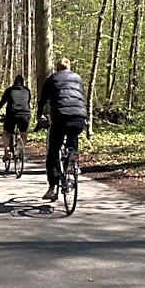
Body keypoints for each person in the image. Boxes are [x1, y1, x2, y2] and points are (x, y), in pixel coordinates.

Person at [36, 58, 86, 201]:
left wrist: (39, 116)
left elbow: (42, 100)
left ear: (57, 68)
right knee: (72, 137)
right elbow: (80, 98)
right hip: (79, 117)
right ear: (69, 68)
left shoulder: (52, 78)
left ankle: (52, 187)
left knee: (52, 152)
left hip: (60, 117)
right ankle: (74, 162)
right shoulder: (78, 78)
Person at [0, 75, 32, 162]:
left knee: (6, 132)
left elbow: (2, 103)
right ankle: (21, 151)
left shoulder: (9, 90)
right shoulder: (27, 90)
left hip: (12, 114)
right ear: (23, 83)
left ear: (14, 82)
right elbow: (28, 102)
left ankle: (6, 153)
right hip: (25, 114)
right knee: (23, 133)